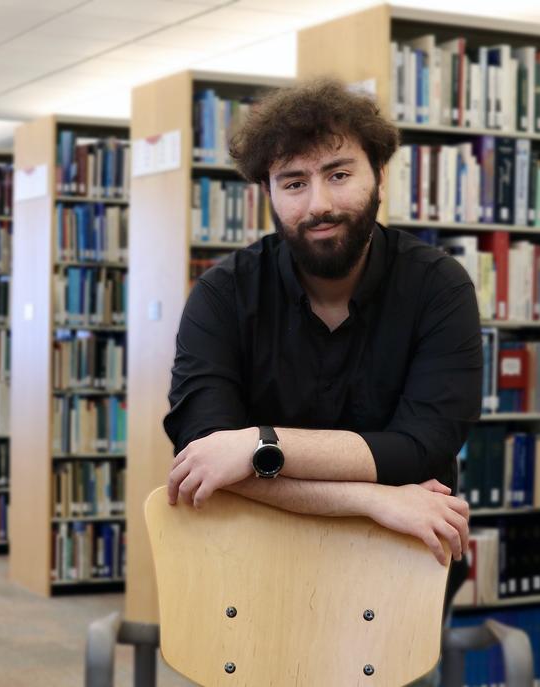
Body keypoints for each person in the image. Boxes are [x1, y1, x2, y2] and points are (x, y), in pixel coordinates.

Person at [164, 78, 480, 582]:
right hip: (254, 559)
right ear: (266, 192)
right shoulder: (222, 295)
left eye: (338, 174)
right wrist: (370, 498)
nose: (318, 205)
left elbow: (422, 448)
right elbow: (203, 457)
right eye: (294, 183)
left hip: (399, 561)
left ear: (378, 173)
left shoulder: (438, 287)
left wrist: (255, 448)